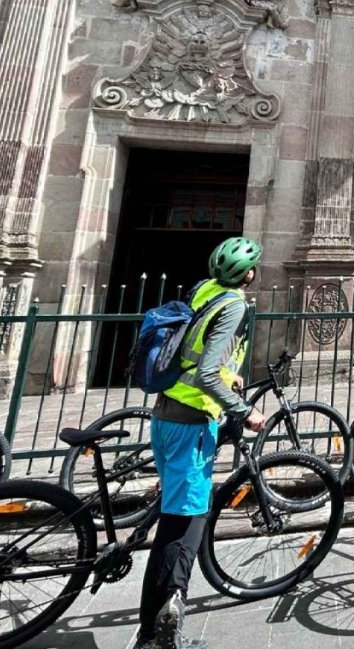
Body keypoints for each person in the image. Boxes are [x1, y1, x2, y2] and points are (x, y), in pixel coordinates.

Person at [134, 236, 267, 649]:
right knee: (184, 527)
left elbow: (196, 351)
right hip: (192, 422)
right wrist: (245, 411)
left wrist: (230, 374)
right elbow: (207, 373)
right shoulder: (235, 305)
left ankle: (149, 629)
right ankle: (160, 630)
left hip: (167, 412)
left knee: (176, 514)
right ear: (248, 274)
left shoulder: (204, 289)